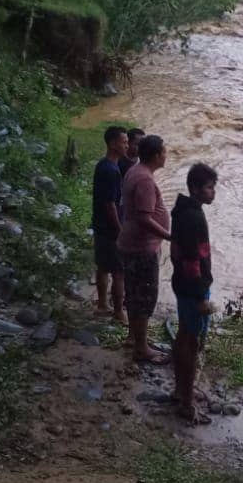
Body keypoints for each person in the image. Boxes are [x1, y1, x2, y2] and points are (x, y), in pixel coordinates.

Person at [170, 163, 218, 425]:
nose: (213, 193)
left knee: (183, 336)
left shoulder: (182, 209)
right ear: (195, 188)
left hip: (181, 283)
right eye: (209, 188)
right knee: (191, 342)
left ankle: (180, 391)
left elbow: (177, 252)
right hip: (193, 288)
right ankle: (186, 403)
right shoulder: (194, 217)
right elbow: (192, 260)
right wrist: (201, 298)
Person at [117, 135, 171, 364]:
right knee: (144, 297)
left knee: (134, 292)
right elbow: (144, 218)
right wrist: (170, 236)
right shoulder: (145, 180)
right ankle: (141, 348)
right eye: (164, 151)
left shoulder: (135, 170)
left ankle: (134, 337)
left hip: (132, 244)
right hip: (141, 247)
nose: (166, 155)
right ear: (157, 155)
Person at [91, 126, 128, 324]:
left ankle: (103, 304)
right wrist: (120, 230)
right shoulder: (112, 170)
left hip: (100, 226)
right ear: (113, 144)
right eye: (124, 142)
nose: (127, 145)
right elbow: (110, 204)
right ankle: (119, 312)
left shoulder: (103, 165)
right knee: (119, 271)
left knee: (103, 266)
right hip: (110, 229)